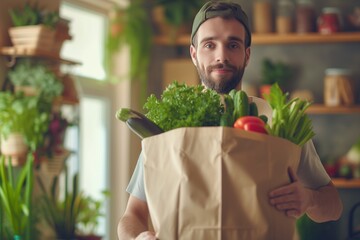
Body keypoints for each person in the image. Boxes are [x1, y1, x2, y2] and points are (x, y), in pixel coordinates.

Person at [117, 1, 343, 239]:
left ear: (247, 55)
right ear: (194, 54)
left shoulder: (280, 120)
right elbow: (132, 215)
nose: (221, 56)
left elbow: (333, 206)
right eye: (209, 45)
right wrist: (138, 238)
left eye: (232, 44)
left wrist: (308, 199)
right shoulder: (168, 126)